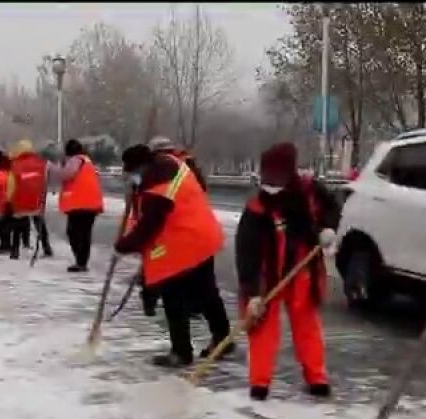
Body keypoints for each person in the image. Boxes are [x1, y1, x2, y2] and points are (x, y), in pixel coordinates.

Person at [235, 142, 341, 401]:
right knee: (262, 327)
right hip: (267, 277)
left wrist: (327, 229)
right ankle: (259, 383)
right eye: (267, 176)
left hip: (302, 270)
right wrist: (252, 292)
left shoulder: (309, 191)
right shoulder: (257, 207)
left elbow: (332, 209)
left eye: (276, 176)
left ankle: (317, 377)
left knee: (307, 324)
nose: (270, 183)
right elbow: (246, 252)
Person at [114, 143, 232, 367]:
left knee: (173, 297)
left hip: (184, 243)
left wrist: (122, 246)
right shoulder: (171, 164)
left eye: (131, 173)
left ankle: (181, 352)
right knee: (206, 292)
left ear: (141, 168)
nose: (131, 178)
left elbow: (147, 228)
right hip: (202, 234)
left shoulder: (157, 189)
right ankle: (223, 337)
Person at [137, 137, 209, 317]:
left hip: (170, 223)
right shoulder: (186, 165)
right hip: (184, 223)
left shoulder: (164, 167)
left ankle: (152, 300)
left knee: (158, 261)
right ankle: (188, 304)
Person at [55, 138, 104, 272]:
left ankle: (80, 261)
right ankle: (82, 261)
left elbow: (65, 175)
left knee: (74, 233)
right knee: (85, 233)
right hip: (92, 203)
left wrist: (57, 167)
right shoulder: (87, 161)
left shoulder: (75, 160)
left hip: (79, 204)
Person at [6, 140, 51, 260]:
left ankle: (15, 251)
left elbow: (11, 185)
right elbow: (45, 180)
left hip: (21, 200)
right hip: (37, 199)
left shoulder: (15, 165)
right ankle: (47, 248)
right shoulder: (40, 163)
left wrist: (9, 199)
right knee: (40, 225)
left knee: (17, 227)